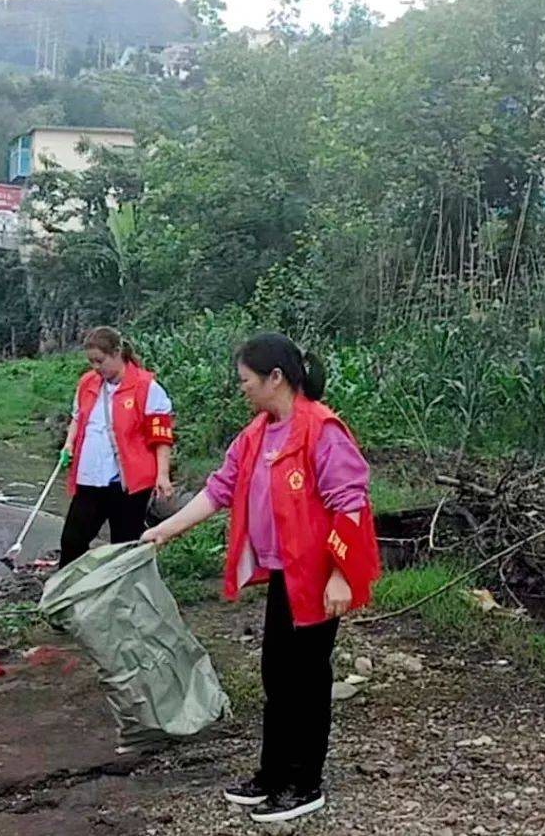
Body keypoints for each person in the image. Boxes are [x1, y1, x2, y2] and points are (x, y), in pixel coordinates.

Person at [142, 333, 379, 824]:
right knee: (277, 673)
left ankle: (304, 782)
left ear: (276, 378)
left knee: (307, 680)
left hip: (317, 576)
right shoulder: (256, 433)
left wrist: (339, 577)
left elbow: (350, 506)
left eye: (246, 381)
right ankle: (272, 774)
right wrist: (163, 532)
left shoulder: (321, 430)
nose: (242, 389)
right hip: (284, 574)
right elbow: (218, 491)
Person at [58, 326, 175, 568]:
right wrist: (69, 444)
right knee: (72, 540)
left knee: (123, 545)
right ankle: (67, 592)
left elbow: (160, 435)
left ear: (117, 353)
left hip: (127, 483)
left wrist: (162, 475)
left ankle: (121, 596)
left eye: (100, 361)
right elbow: (78, 418)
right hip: (89, 477)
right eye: (91, 362)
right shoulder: (88, 383)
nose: (95, 368)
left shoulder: (146, 387)